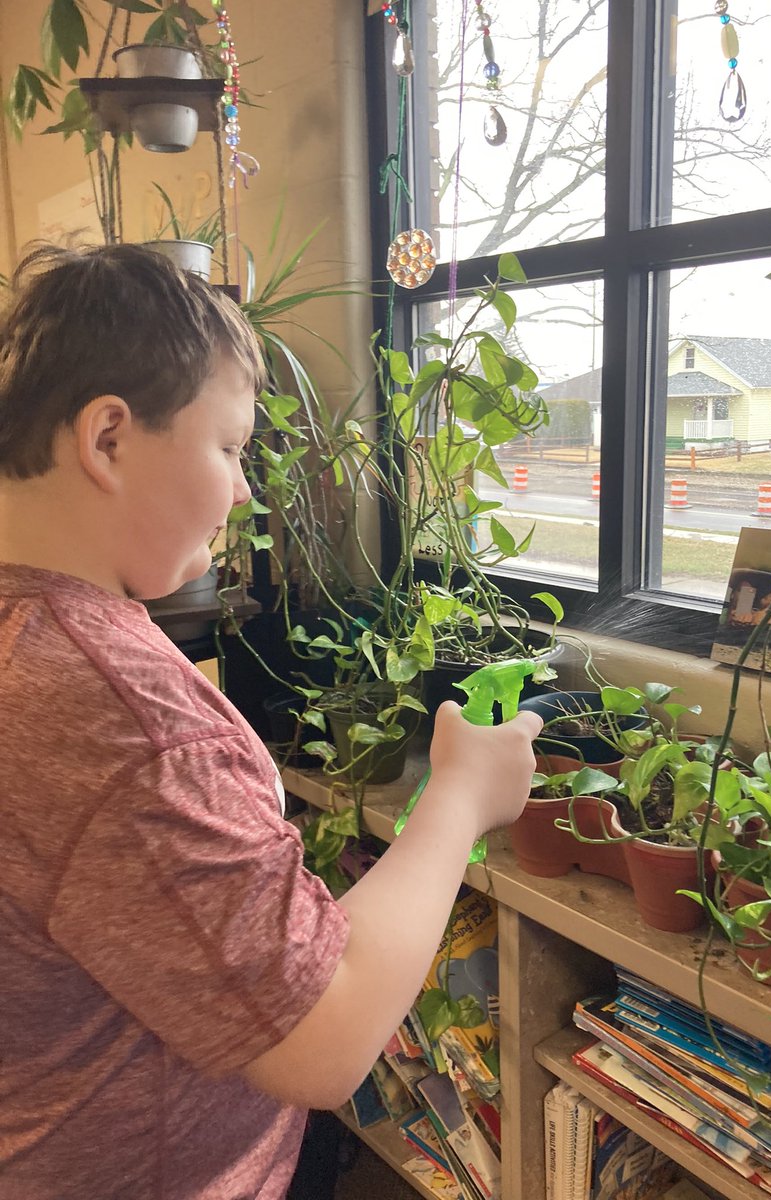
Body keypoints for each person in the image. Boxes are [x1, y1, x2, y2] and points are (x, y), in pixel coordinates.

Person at [0, 244, 542, 1199]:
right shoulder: (124, 717)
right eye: (230, 447)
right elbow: (323, 1042)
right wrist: (458, 796)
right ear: (109, 439)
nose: (245, 491)